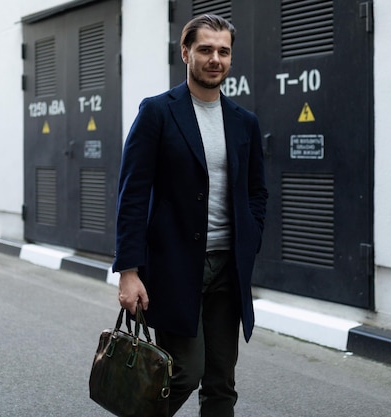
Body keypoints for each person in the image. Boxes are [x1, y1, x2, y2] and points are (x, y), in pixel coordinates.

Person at [112, 14, 267, 417]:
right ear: (185, 53)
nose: (215, 58)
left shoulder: (243, 123)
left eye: (223, 51)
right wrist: (129, 270)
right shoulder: (158, 112)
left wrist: (250, 240)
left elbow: (256, 192)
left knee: (221, 383)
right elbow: (132, 194)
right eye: (205, 49)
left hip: (227, 270)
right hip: (175, 266)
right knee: (183, 371)